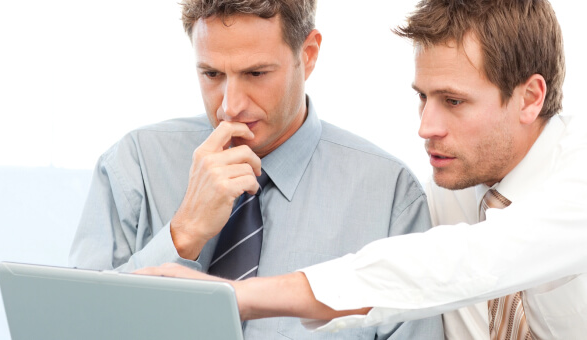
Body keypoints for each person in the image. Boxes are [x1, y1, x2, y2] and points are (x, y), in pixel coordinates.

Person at [138, 0, 587, 338]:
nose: (426, 126)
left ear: (530, 97)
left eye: (454, 102)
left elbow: (463, 264)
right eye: (421, 97)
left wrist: (238, 300)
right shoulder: (453, 195)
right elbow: (395, 291)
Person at [69, 0, 443, 338]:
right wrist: (184, 232)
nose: (230, 106)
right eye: (212, 74)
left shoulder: (390, 196)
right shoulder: (134, 164)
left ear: (308, 54)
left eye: (256, 74)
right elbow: (72, 327)